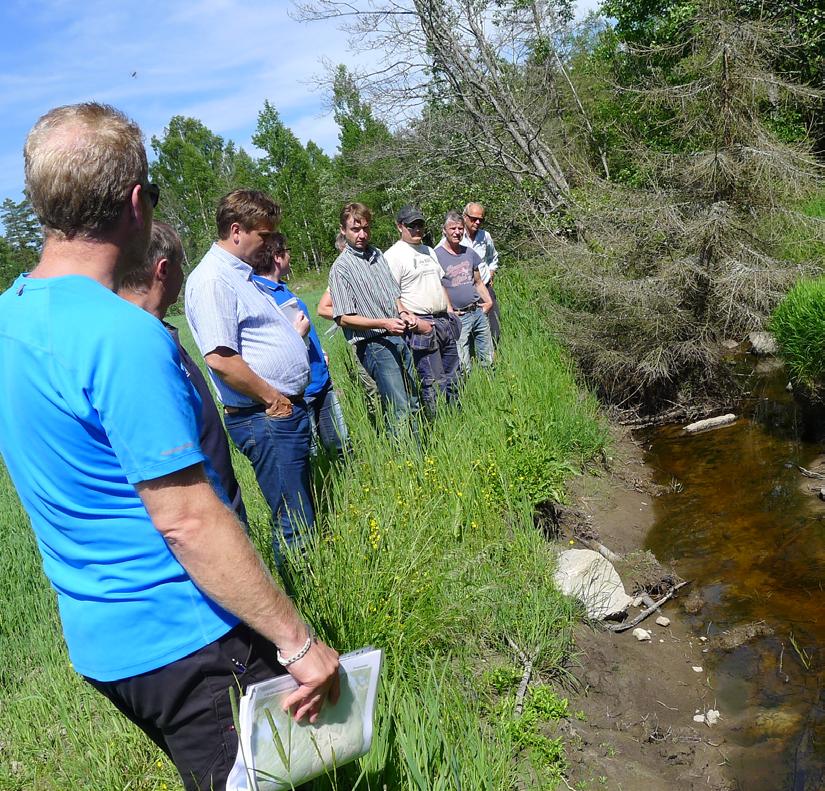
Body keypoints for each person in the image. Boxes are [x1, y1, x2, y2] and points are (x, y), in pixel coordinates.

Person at [0, 102, 339, 791]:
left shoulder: (12, 314)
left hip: (103, 640)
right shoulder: (122, 337)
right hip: (186, 634)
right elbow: (186, 519)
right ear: (135, 204)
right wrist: (297, 641)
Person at [185, 190, 316, 567]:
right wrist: (275, 399)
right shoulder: (213, 280)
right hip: (264, 416)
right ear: (237, 230)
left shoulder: (240, 276)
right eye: (264, 234)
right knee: (293, 520)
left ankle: (310, 586)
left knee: (300, 509)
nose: (270, 242)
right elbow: (221, 358)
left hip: (276, 412)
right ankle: (296, 605)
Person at [118, 221, 248, 525]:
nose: (183, 275)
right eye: (180, 266)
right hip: (205, 521)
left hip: (219, 506)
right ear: (163, 269)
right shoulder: (134, 345)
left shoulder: (156, 332)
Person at [252, 232, 349, 457]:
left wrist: (319, 350)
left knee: (340, 445)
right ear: (277, 257)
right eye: (287, 252)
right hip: (299, 390)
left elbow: (305, 330)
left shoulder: (281, 288)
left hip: (321, 380)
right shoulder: (260, 295)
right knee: (310, 453)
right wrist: (298, 338)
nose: (290, 257)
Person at [328, 202, 421, 437]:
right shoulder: (341, 268)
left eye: (366, 228)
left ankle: (422, 451)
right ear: (343, 230)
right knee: (398, 406)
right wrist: (384, 323)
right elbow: (344, 318)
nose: (362, 235)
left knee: (413, 399)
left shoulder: (377, 254)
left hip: (398, 336)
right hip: (374, 344)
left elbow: (393, 295)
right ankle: (407, 459)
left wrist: (402, 313)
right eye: (355, 229)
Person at [383, 205, 461, 415]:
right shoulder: (393, 256)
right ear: (400, 227)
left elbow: (440, 282)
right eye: (412, 226)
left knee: (454, 376)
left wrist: (450, 311)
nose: (417, 230)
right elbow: (392, 296)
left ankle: (457, 418)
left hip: (444, 319)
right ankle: (439, 423)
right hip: (421, 322)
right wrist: (415, 323)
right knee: (433, 380)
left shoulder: (428, 251)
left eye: (420, 225)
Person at [435, 210, 494, 372]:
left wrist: (488, 302)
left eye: (460, 228)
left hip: (478, 311)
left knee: (487, 356)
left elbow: (478, 281)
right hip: (458, 317)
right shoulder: (436, 256)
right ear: (444, 230)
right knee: (463, 362)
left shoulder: (469, 253)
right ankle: (466, 390)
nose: (457, 232)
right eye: (452, 228)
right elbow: (438, 287)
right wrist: (449, 311)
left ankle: (491, 385)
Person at [462, 202, 501, 344]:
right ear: (465, 217)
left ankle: (494, 357)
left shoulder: (485, 236)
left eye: (481, 219)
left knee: (493, 326)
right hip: (465, 290)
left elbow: (493, 257)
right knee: (469, 329)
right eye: (474, 219)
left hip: (484, 287)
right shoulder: (456, 236)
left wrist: (491, 272)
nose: (477, 222)